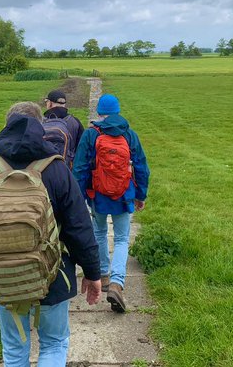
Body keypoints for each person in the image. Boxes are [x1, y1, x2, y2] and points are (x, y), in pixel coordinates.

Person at [0, 101, 102, 367]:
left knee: (14, 349)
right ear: (40, 128)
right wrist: (92, 272)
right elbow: (79, 228)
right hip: (54, 274)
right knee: (53, 343)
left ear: (6, 127)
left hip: (4, 276)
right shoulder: (56, 169)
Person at [73, 93, 149, 314]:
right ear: (118, 111)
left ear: (99, 113)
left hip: (98, 195)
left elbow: (80, 168)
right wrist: (140, 195)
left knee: (99, 233)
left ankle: (103, 275)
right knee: (122, 238)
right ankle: (117, 283)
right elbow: (142, 167)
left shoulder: (91, 134)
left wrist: (78, 199)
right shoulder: (129, 135)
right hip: (124, 195)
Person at [42, 89, 84, 163]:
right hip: (67, 167)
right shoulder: (75, 122)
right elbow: (81, 148)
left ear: (50, 103)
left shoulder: (41, 122)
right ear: (64, 104)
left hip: (44, 166)